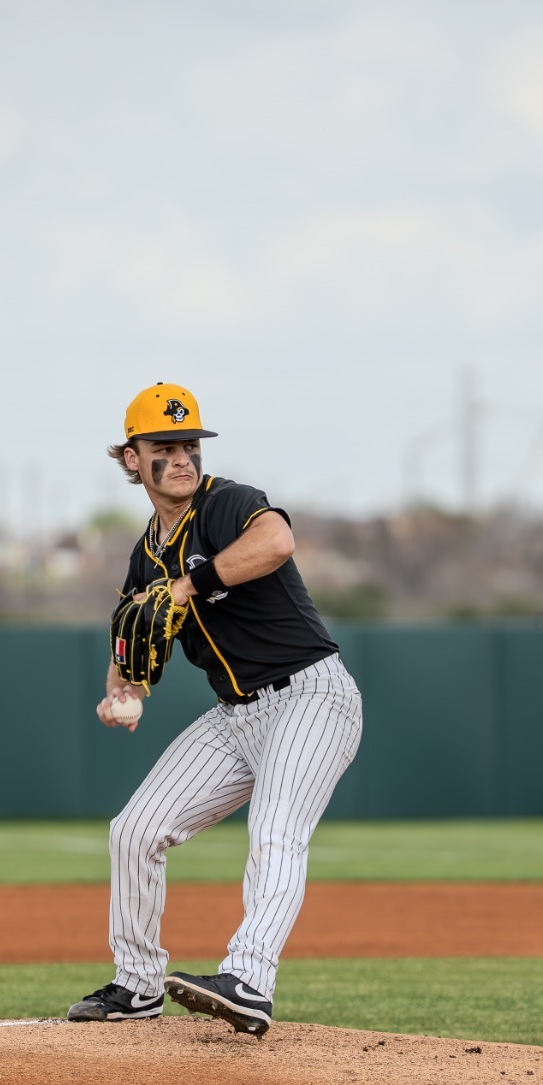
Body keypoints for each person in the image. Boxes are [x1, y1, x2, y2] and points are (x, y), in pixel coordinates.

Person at [67, 382, 364, 1037]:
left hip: (312, 696)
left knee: (276, 831)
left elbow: (277, 542)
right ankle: (138, 984)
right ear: (130, 459)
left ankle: (250, 980)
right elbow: (130, 627)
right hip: (237, 717)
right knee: (134, 830)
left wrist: (189, 582)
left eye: (190, 444)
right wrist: (122, 689)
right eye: (165, 446)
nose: (182, 457)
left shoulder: (225, 504)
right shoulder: (144, 552)